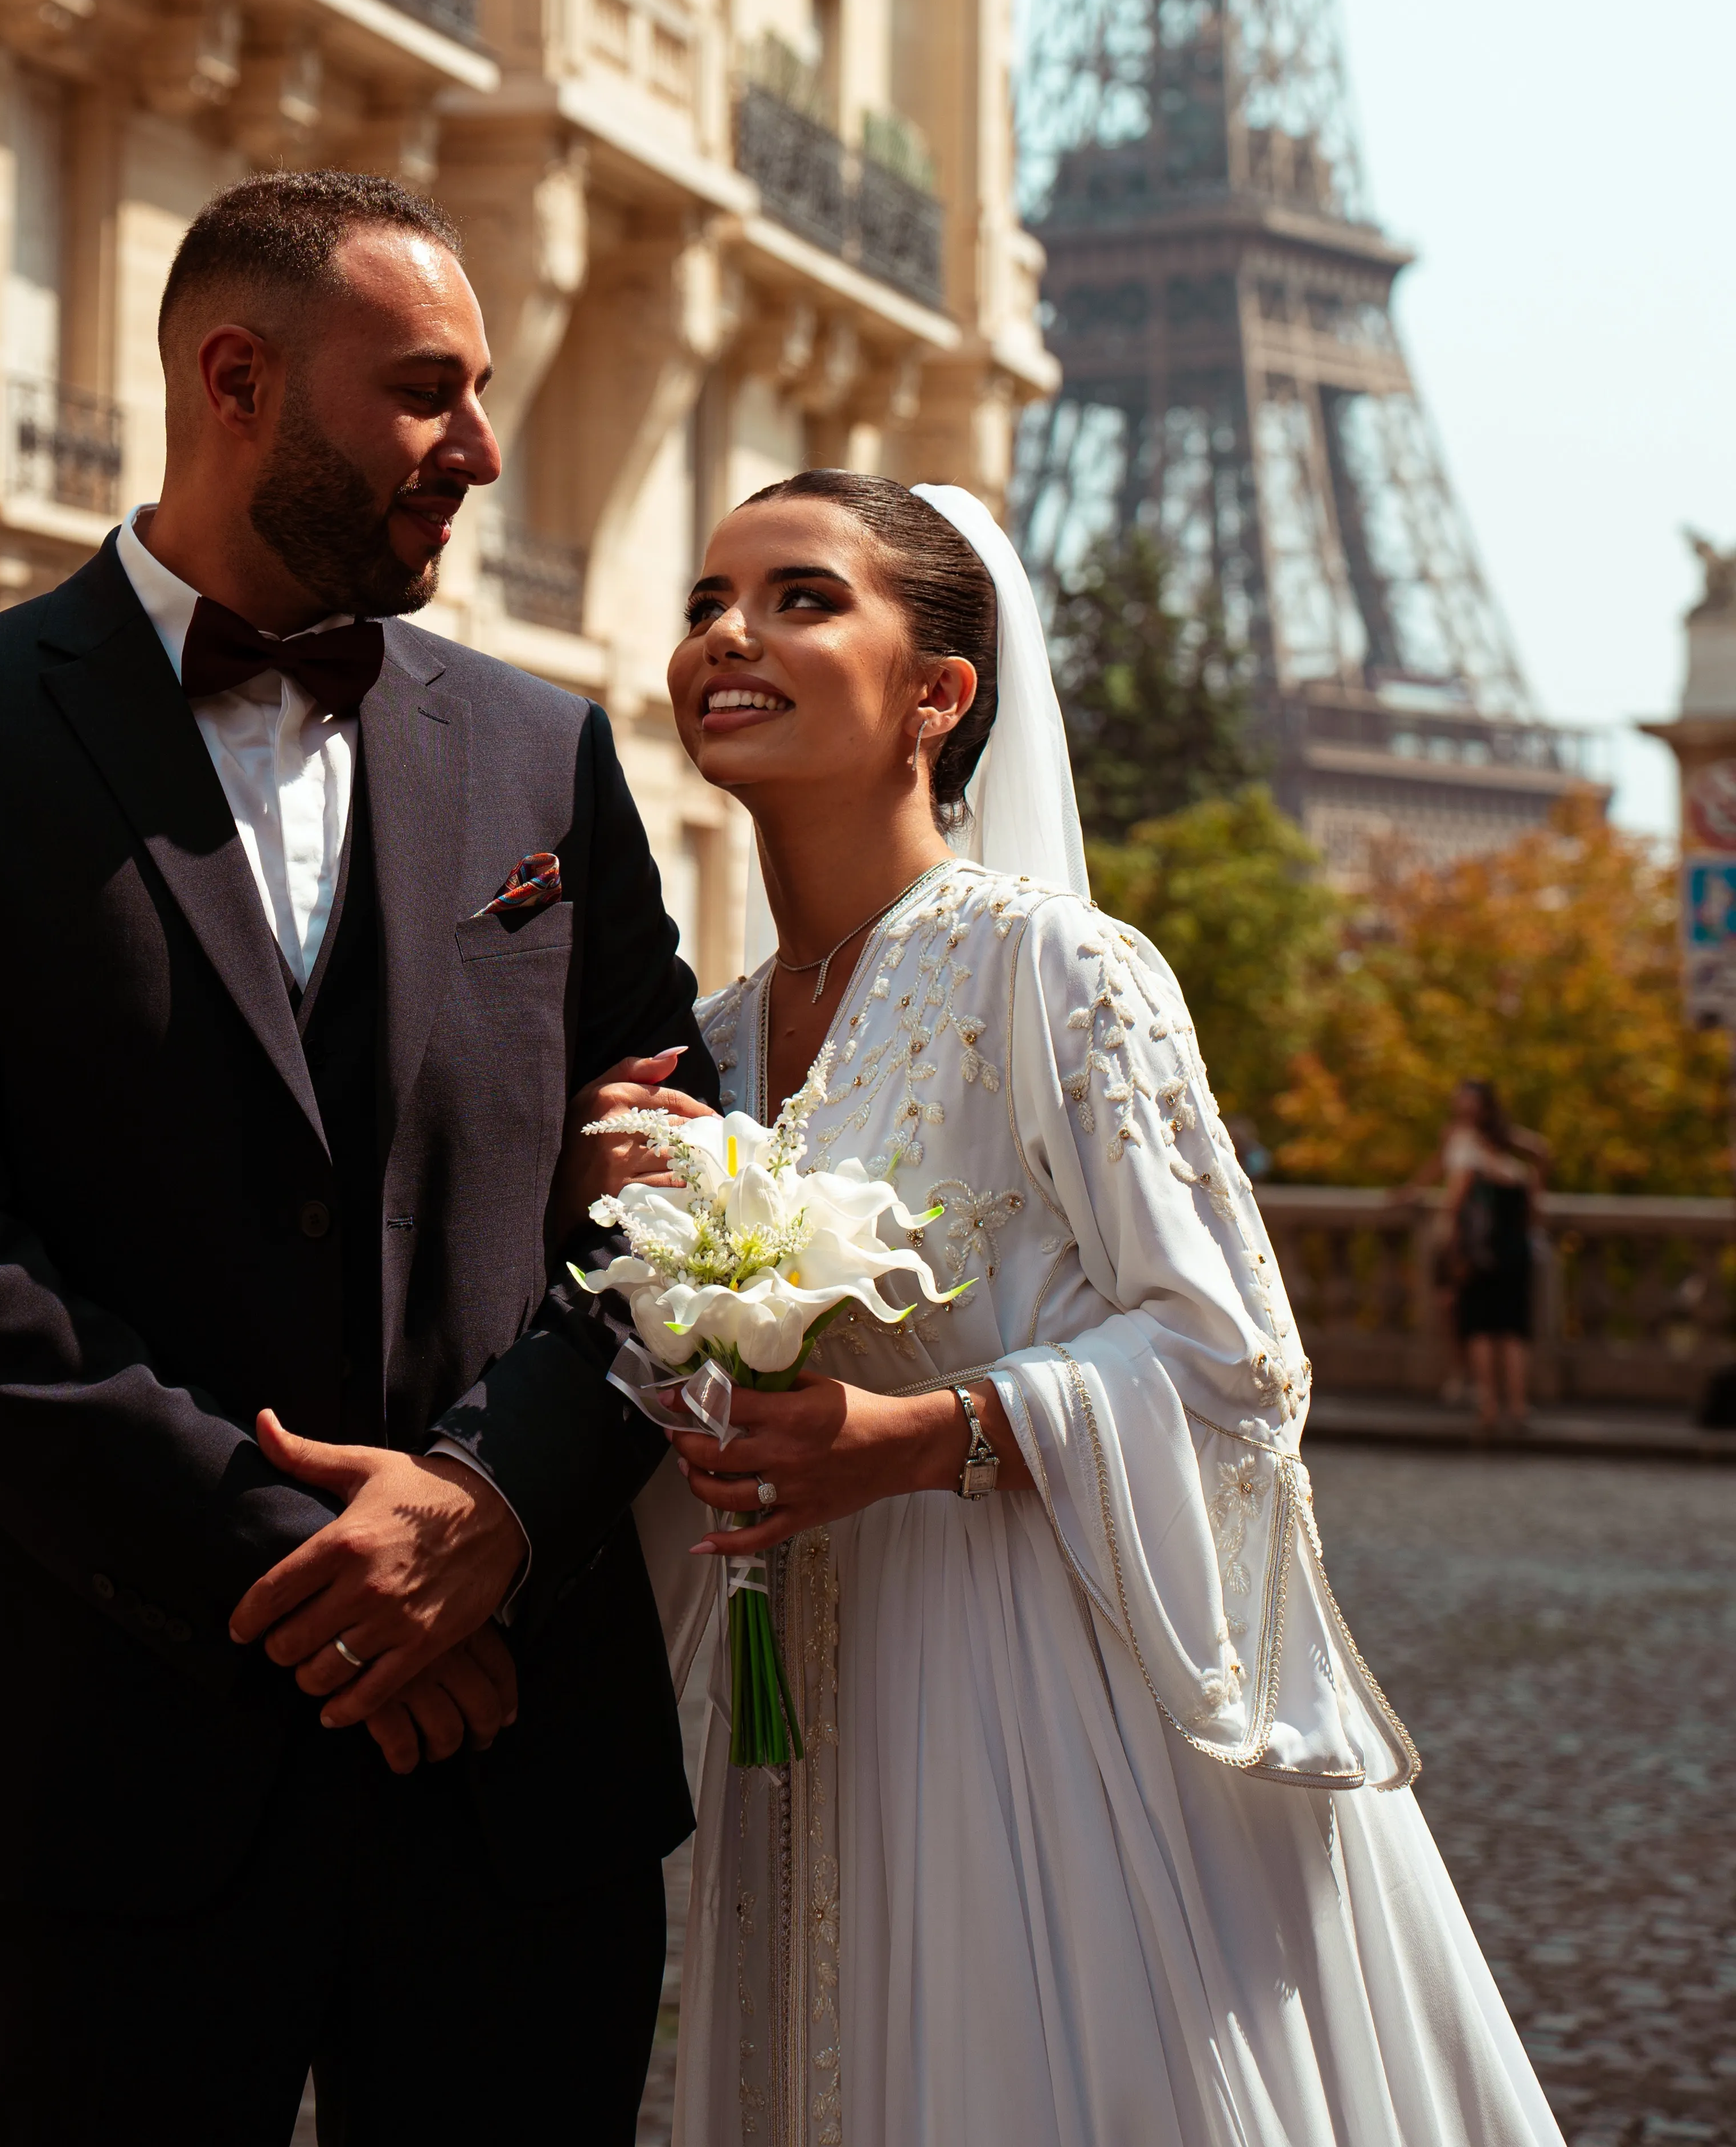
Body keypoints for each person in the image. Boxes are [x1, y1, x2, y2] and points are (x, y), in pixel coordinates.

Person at [0, 170, 715, 2147]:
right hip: (90, 1755)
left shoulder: (549, 754)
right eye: (427, 390)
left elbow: (683, 1192)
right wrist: (324, 1576)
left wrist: (494, 1505)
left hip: (513, 1750)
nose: (479, 448)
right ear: (234, 379)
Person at [559, 470, 1564, 2147]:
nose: (728, 633)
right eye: (705, 602)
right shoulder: (709, 1048)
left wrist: (925, 1434)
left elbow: (1235, 1356)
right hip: (805, 1719)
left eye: (802, 598)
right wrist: (616, 1231)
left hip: (1040, 1704)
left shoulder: (1060, 968)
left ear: (938, 695)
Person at [1440, 1075, 1545, 1436]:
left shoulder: (1474, 1165)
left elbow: (1455, 1206)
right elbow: (1534, 1213)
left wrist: (1452, 1249)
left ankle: (1488, 1405)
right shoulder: (1520, 1174)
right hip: (1516, 1254)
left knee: (1481, 1330)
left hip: (1482, 1255)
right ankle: (1518, 1405)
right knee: (1514, 1332)